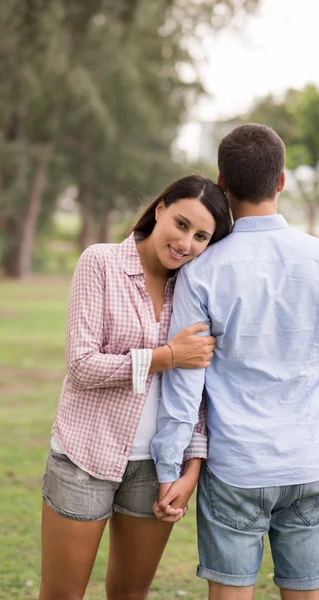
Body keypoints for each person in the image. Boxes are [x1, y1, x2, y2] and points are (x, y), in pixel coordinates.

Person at [38, 174, 232, 600]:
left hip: (155, 469)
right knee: (61, 595)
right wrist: (166, 356)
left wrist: (191, 467)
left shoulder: (195, 286)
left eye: (202, 236)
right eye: (181, 224)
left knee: (130, 594)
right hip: (84, 459)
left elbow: (198, 388)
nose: (186, 243)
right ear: (160, 209)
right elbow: (82, 365)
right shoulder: (100, 262)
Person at [152, 124, 319, 600]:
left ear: (221, 182)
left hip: (236, 468)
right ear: (282, 181)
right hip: (309, 460)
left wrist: (169, 470)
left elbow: (185, 382)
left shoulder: (202, 271)